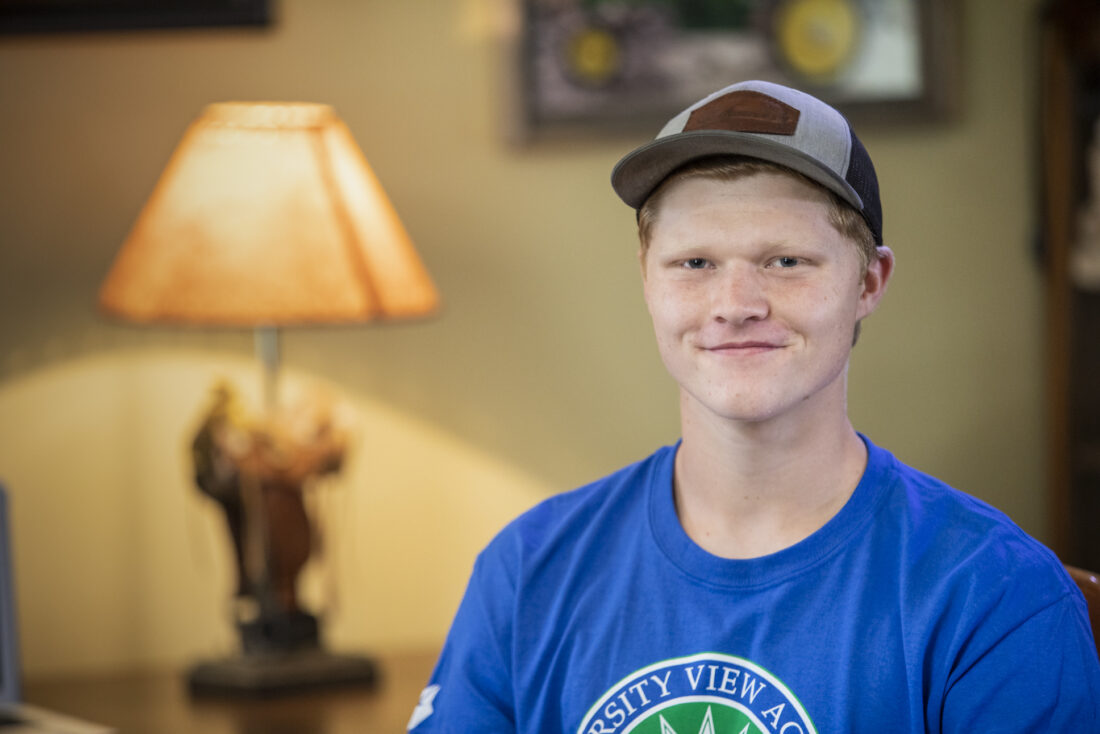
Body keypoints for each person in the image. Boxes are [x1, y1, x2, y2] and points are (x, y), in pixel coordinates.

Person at [408, 80, 1100, 733]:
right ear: (646, 280)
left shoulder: (995, 595)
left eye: (786, 262)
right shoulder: (529, 570)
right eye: (695, 264)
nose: (736, 306)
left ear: (869, 282)